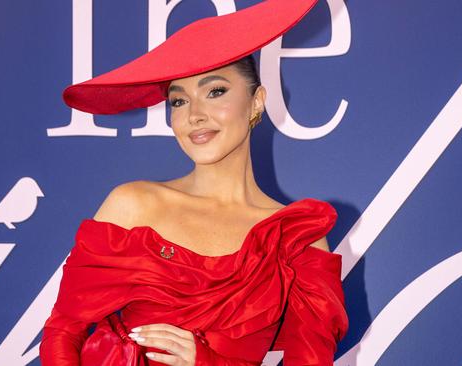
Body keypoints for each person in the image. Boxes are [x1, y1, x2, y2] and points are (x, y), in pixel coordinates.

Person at [39, 0, 349, 365]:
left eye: (215, 91)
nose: (194, 116)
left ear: (256, 103)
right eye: (179, 100)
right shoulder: (133, 204)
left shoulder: (296, 236)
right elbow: (63, 332)